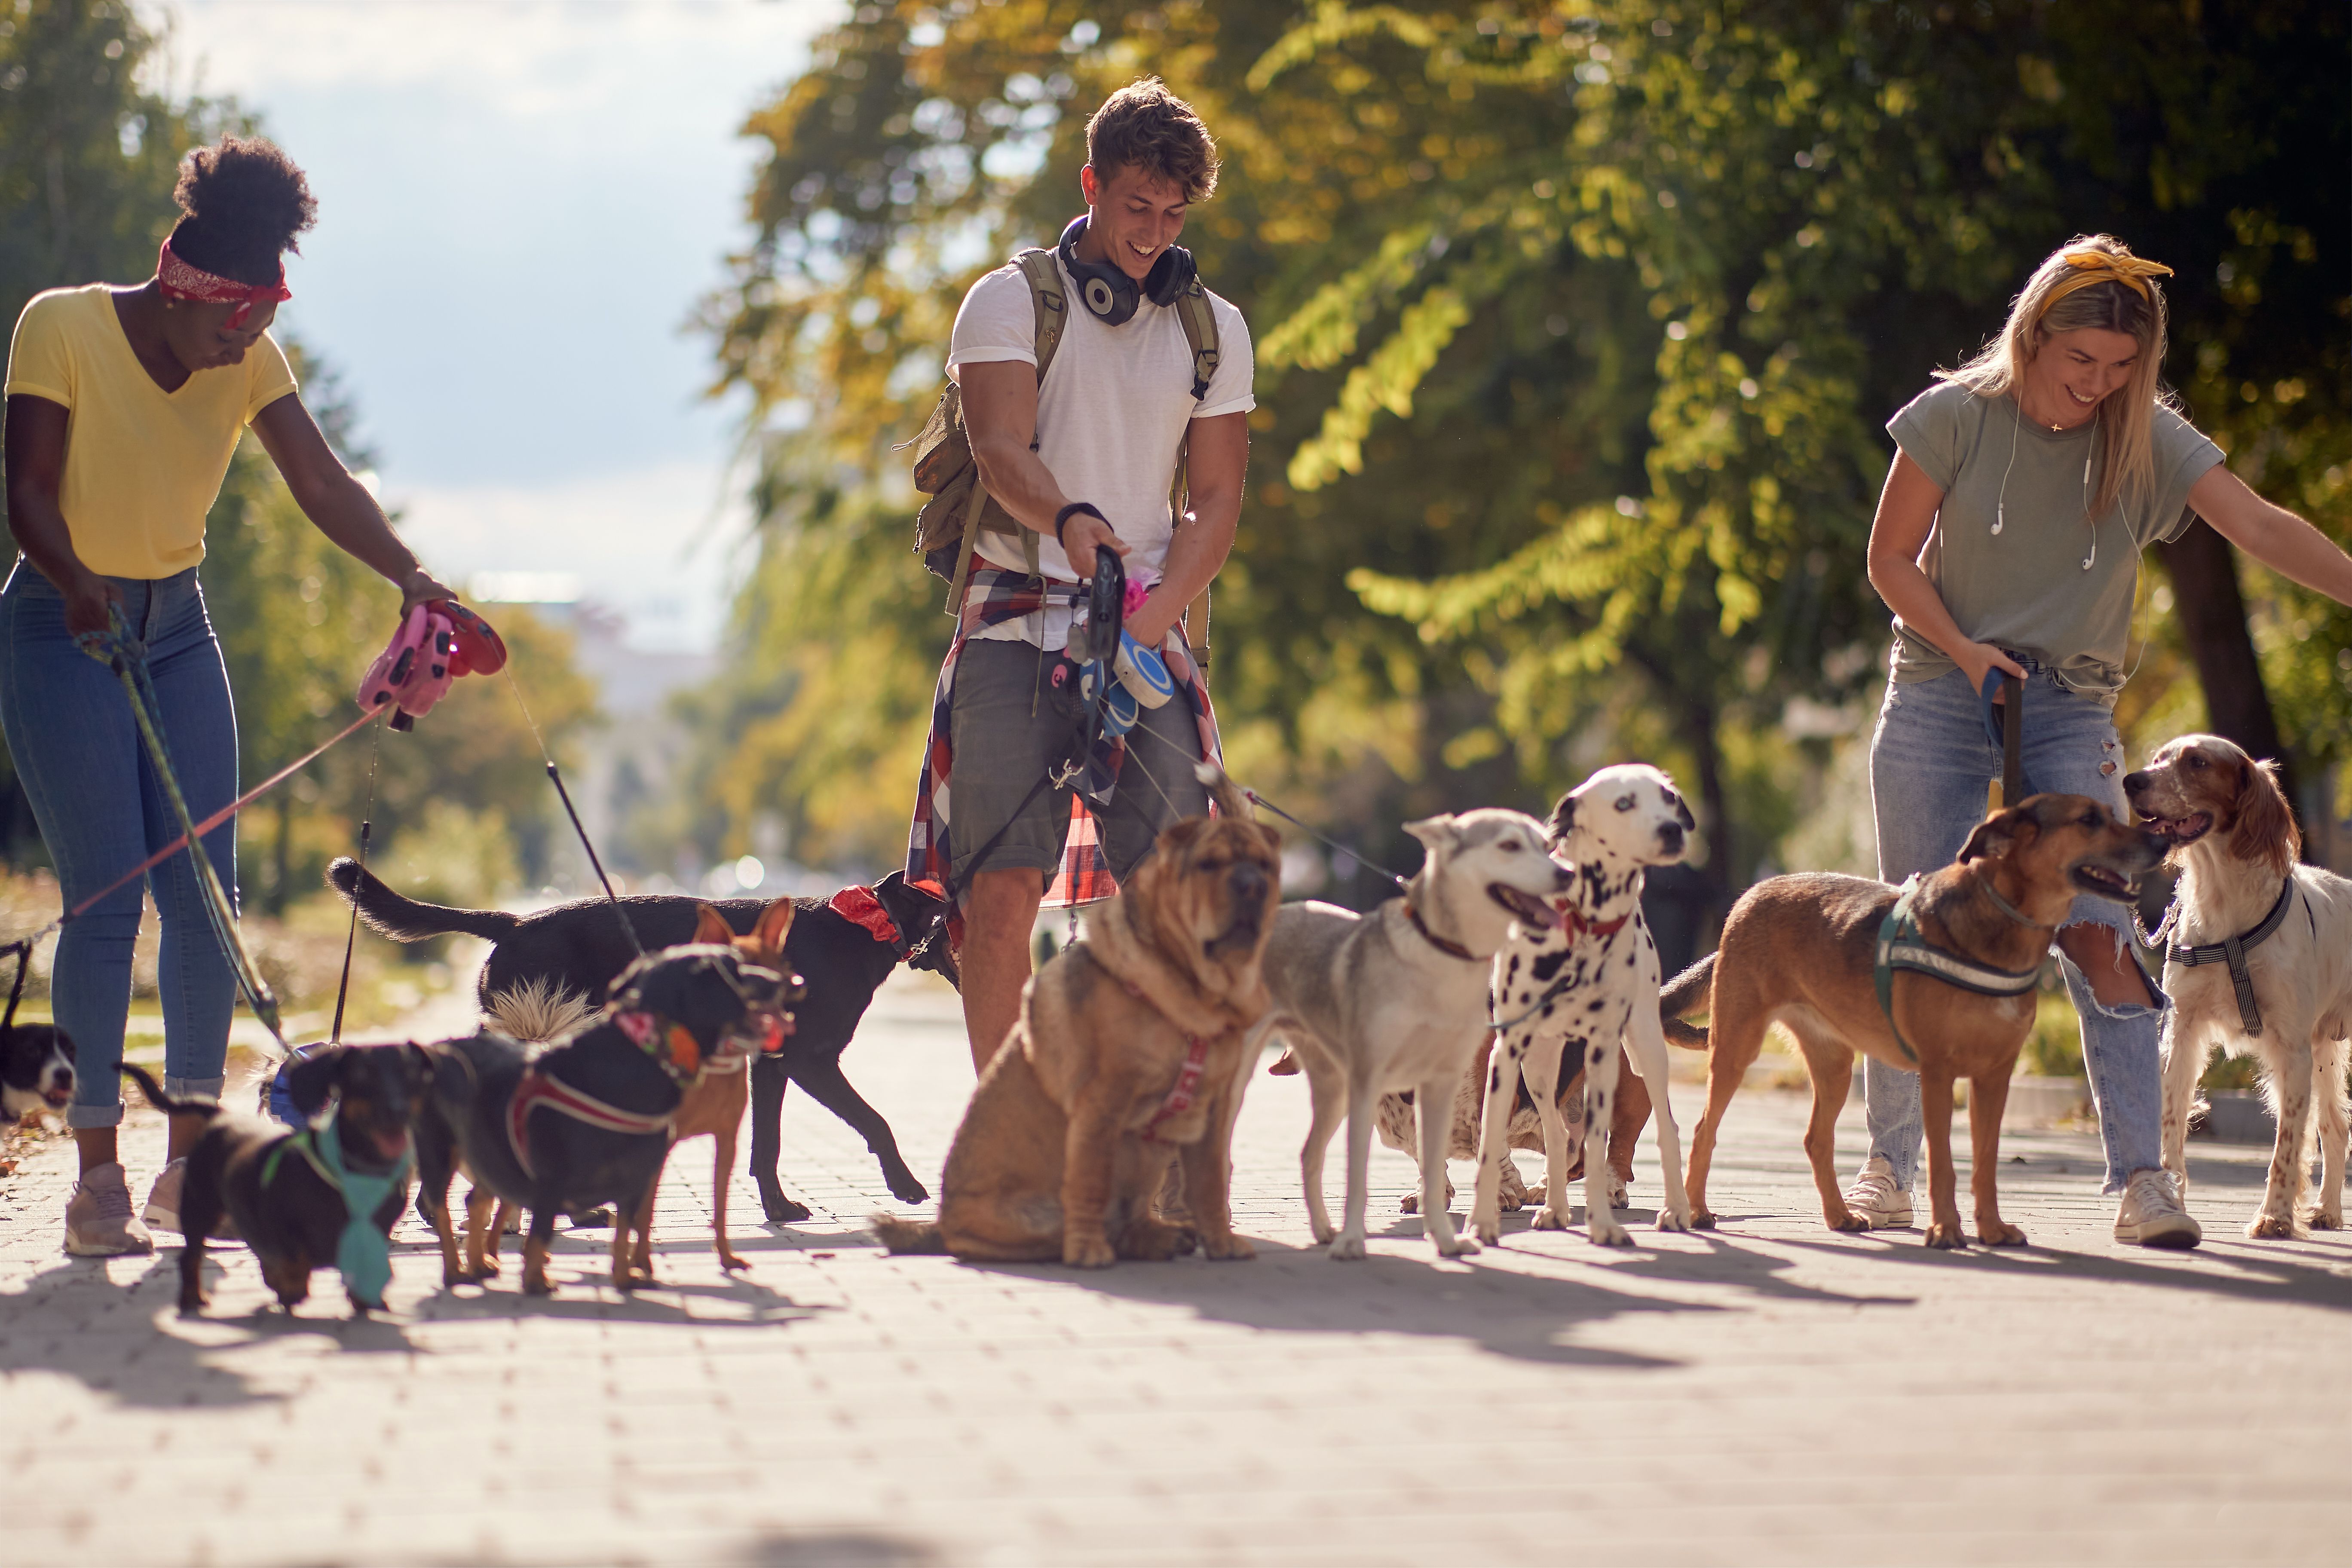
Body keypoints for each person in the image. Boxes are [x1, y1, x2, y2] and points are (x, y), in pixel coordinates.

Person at [1, 136, 453, 1255]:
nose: (240, 346)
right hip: (63, 628)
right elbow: (26, 491)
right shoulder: (61, 326)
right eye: (227, 326)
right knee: (108, 901)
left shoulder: (249, 357)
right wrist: (73, 580)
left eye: (256, 325)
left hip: (175, 631)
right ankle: (98, 1181)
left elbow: (320, 481)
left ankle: (190, 1167)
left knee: (209, 900)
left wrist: (415, 577)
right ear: (178, 288)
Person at [1855, 235, 2352, 1247]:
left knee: (2099, 929)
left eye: (2122, 369)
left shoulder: (2147, 440)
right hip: (1941, 691)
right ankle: (1888, 1168)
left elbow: (2257, 527)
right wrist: (1964, 644)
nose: (2098, 385)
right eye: (2080, 361)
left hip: (2072, 703)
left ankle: (2143, 1181)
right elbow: (1889, 560)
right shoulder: (1956, 416)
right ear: (2033, 334)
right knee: (1914, 924)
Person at [907, 80, 1255, 1071]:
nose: (1153, 233)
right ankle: (1009, 1136)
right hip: (1016, 619)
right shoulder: (1010, 299)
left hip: (1144, 634)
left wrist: (1154, 623)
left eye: (1174, 214)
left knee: (1175, 894)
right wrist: (1071, 525)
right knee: (1001, 893)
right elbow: (1002, 446)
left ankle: (1164, 1138)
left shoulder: (1213, 327)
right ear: (1092, 185)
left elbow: (1217, 500)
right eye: (1136, 206)